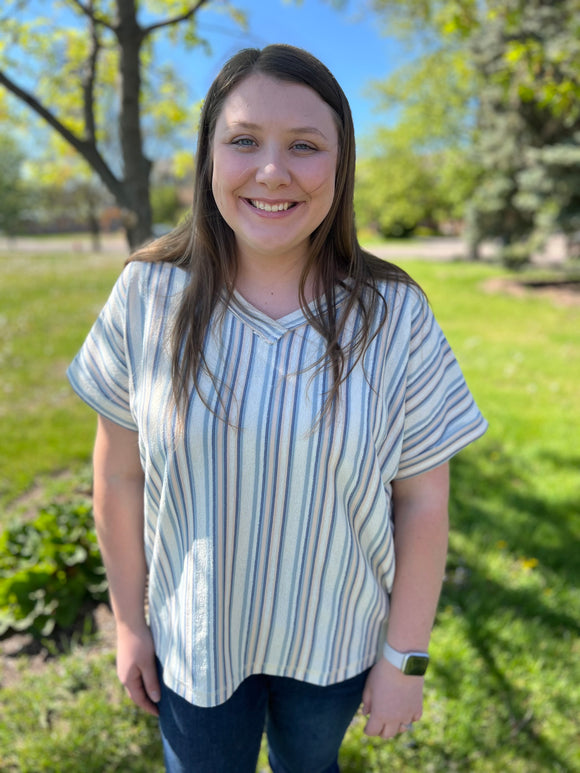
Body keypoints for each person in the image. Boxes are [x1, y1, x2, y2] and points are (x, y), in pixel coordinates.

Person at [67, 44, 487, 773]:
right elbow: (119, 475)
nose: (272, 170)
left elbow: (422, 499)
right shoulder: (146, 295)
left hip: (334, 643)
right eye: (243, 140)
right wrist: (130, 623)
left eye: (304, 145)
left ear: (340, 164)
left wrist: (404, 659)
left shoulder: (394, 315)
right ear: (207, 157)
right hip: (194, 644)